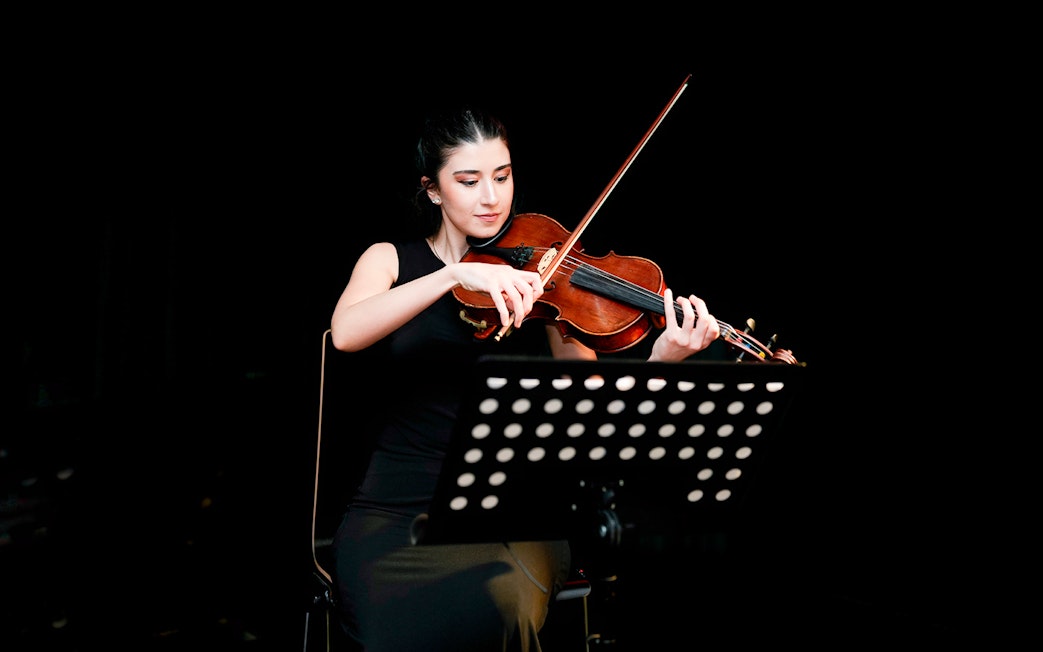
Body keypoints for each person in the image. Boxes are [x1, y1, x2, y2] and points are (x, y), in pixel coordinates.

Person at [329, 105, 721, 652]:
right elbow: (346, 332)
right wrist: (454, 275)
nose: (491, 197)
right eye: (468, 181)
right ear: (434, 190)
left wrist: (661, 361)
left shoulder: (543, 276)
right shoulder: (391, 260)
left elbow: (592, 412)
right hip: (393, 515)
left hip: (510, 515)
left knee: (498, 605)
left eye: (502, 175)